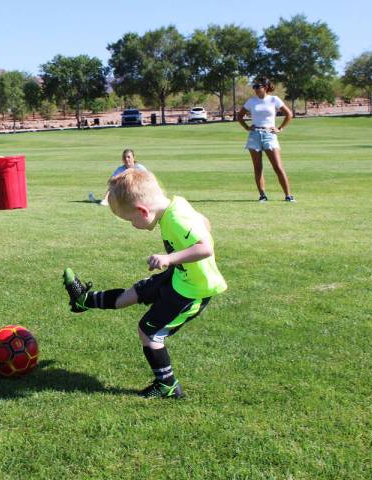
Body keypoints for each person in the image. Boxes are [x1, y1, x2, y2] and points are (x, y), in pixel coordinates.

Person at [63, 168, 227, 399]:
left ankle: (167, 385)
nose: (132, 225)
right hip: (178, 276)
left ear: (142, 211)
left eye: (131, 220)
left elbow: (205, 248)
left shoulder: (177, 219)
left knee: (149, 332)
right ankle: (84, 301)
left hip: (192, 291)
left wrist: (169, 258)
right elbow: (202, 221)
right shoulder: (175, 205)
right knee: (136, 292)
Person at [237, 77, 295, 202]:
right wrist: (247, 127)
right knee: (258, 168)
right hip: (255, 135)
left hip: (269, 134)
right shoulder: (251, 101)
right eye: (254, 87)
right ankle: (262, 195)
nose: (256, 89)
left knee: (278, 167)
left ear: (266, 87)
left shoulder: (274, 99)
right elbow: (239, 116)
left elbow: (289, 114)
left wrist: (280, 128)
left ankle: (288, 195)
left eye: (258, 87)